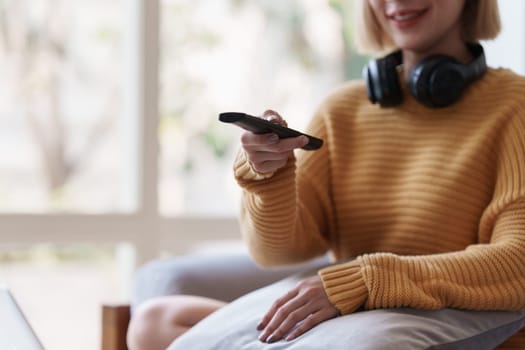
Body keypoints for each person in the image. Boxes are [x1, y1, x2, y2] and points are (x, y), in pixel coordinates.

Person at [127, 0, 525, 349]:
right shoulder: (343, 110)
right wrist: (270, 178)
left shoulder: (514, 106)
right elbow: (278, 252)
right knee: (156, 322)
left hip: (436, 323)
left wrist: (364, 281)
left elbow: (518, 262)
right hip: (346, 317)